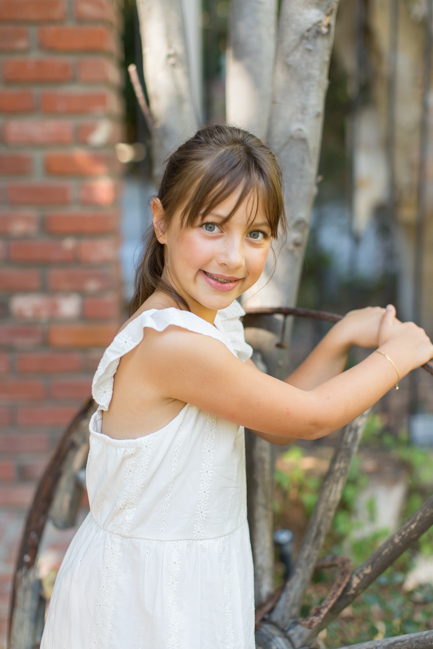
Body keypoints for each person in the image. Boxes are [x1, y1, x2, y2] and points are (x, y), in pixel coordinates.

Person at [41, 124, 433, 649]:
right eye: (211, 226)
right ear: (161, 222)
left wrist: (340, 338)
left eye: (255, 234)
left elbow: (275, 425)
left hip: (190, 580)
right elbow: (309, 417)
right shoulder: (172, 345)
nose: (232, 256)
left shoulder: (207, 322)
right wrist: (396, 358)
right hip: (148, 599)